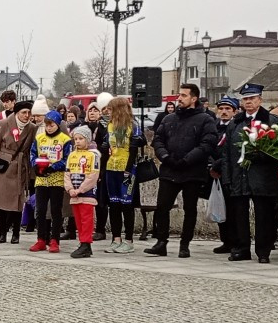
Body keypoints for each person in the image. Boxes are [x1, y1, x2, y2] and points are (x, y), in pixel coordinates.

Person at [145, 84, 217, 258]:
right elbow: (158, 140)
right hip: (170, 169)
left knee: (190, 209)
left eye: (184, 95)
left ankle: (185, 244)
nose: (179, 99)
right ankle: (161, 242)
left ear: (194, 98)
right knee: (162, 207)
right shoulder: (169, 119)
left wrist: (187, 160)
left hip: (192, 171)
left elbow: (207, 144)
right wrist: (165, 157)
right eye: (179, 95)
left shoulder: (205, 119)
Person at [216, 83, 278, 263]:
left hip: (263, 177)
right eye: (245, 99)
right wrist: (227, 178)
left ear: (260, 99)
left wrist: (260, 155)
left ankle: (263, 251)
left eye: (252, 98)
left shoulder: (272, 121)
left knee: (264, 216)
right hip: (239, 176)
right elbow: (227, 153)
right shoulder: (235, 123)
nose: (249, 102)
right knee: (239, 216)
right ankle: (241, 248)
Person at [0, 100, 36, 244]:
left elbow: (32, 149)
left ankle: (16, 233)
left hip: (20, 167)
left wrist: (32, 173)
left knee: (17, 203)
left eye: (29, 112)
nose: (27, 115)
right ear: (16, 113)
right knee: (1, 201)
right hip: (3, 166)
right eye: (23, 112)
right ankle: (2, 232)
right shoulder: (4, 123)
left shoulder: (32, 128)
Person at [100, 96, 146, 254]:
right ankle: (116, 238)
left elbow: (135, 149)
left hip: (128, 169)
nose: (108, 112)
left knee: (127, 205)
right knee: (114, 205)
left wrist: (128, 169)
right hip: (111, 168)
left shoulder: (133, 126)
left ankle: (129, 240)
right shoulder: (110, 126)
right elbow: (105, 145)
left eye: (111, 109)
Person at [29, 110, 72, 252]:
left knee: (55, 210)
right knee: (40, 210)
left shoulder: (65, 140)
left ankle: (54, 240)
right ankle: (41, 239)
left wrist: (54, 167)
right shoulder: (39, 137)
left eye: (51, 125)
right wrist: (35, 165)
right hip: (41, 179)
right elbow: (33, 153)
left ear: (58, 124)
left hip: (56, 179)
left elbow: (67, 159)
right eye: (47, 125)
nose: (49, 128)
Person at [209, 96, 240, 254]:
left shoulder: (236, 127)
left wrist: (219, 163)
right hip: (215, 174)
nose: (224, 112)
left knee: (233, 209)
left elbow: (233, 151)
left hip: (232, 173)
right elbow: (207, 145)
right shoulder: (214, 127)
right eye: (221, 109)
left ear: (235, 111)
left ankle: (236, 241)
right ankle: (226, 240)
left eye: (228, 109)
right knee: (220, 207)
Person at [66, 125, 101, 258]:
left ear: (87, 140)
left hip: (87, 194)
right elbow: (67, 174)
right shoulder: (72, 155)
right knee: (79, 220)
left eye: (81, 138)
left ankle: (86, 243)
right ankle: (83, 242)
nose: (78, 141)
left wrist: (81, 189)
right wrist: (70, 188)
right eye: (75, 139)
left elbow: (93, 175)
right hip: (74, 193)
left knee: (87, 220)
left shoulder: (93, 155)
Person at [82, 102, 110, 240]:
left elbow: (105, 150)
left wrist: (100, 170)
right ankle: (78, 228)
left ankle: (100, 229)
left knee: (100, 201)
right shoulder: (83, 127)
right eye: (90, 110)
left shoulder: (103, 128)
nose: (92, 113)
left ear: (100, 113)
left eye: (95, 110)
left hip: (99, 167)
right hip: (83, 166)